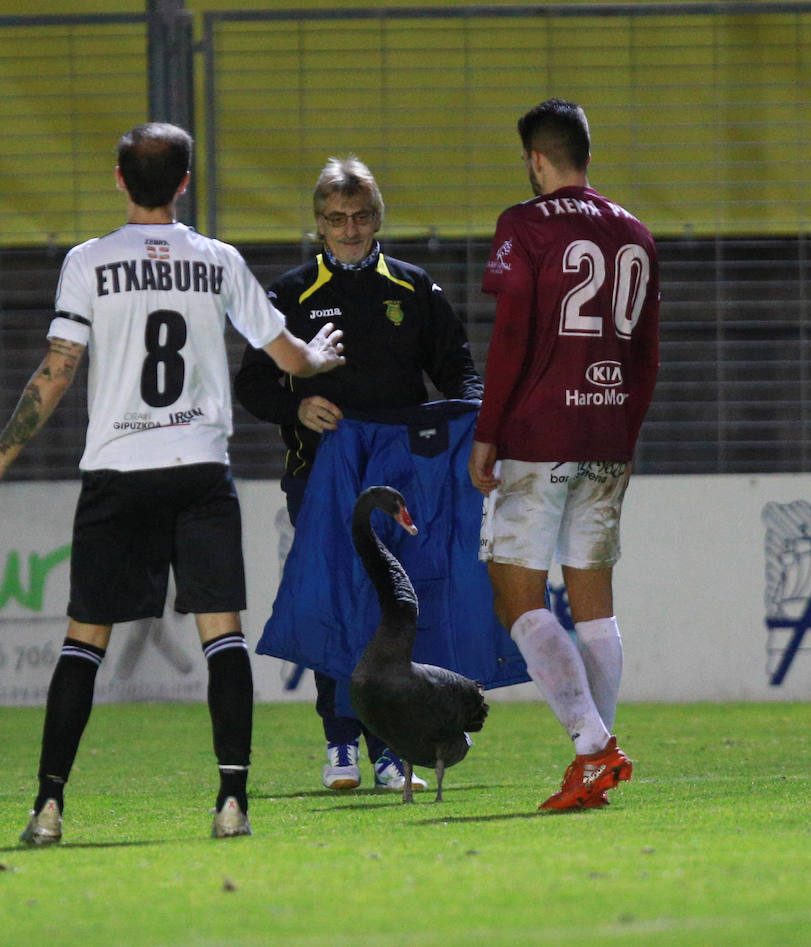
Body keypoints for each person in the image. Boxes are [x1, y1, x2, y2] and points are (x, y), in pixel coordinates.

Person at [0, 122, 345, 843]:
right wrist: (318, 354)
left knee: (83, 640)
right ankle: (232, 803)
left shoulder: (88, 262)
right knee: (222, 635)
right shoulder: (216, 260)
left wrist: (0, 457)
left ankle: (49, 806)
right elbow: (286, 354)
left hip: (119, 474)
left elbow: (57, 370)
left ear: (120, 180)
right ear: (184, 183)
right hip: (197, 469)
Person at [235, 156, 483, 793]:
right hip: (320, 476)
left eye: (361, 215)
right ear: (318, 224)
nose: (349, 228)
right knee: (335, 605)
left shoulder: (413, 288)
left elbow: (459, 371)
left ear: (379, 218)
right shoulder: (290, 293)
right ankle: (340, 744)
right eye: (335, 217)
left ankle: (393, 749)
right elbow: (252, 384)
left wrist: (469, 428)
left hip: (404, 479)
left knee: (397, 611)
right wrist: (297, 404)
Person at [468, 99, 660, 810]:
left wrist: (488, 429)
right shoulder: (636, 233)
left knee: (513, 591)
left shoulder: (524, 224)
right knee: (595, 607)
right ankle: (592, 763)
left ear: (536, 159)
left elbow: (512, 334)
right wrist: (625, 438)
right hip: (608, 437)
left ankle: (592, 744)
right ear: (587, 154)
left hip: (541, 436)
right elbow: (647, 355)